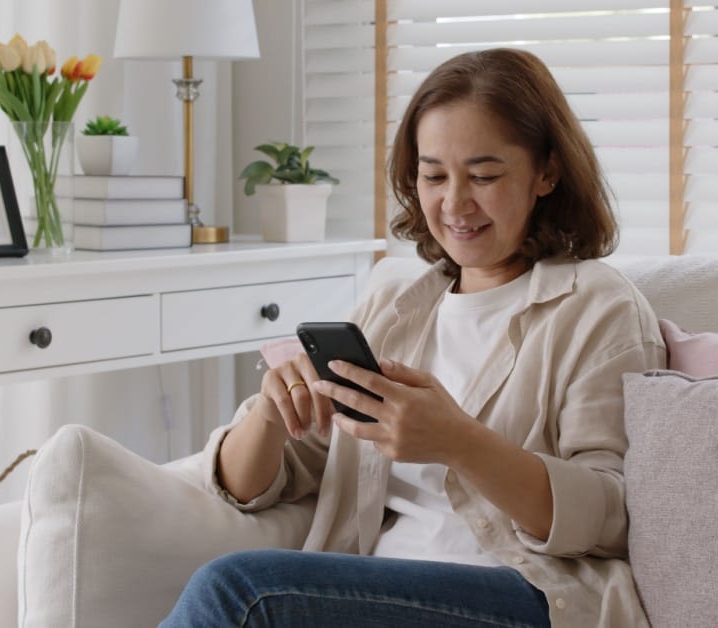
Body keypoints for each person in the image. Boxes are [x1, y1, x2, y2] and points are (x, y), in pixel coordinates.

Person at [161, 48, 665, 628]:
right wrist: (273, 414)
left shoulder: (599, 308)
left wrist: (460, 443)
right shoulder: (394, 308)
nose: (454, 203)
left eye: (484, 175)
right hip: (375, 597)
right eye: (433, 175)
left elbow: (611, 514)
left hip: (529, 599)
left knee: (241, 591)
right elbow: (247, 484)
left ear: (547, 173)